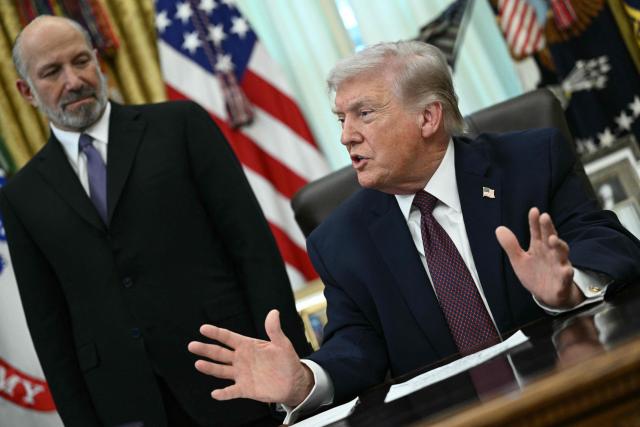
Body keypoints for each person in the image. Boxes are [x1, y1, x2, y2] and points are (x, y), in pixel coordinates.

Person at [188, 41, 640, 422]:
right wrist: (307, 380)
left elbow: (609, 242)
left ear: (428, 118)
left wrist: (570, 285)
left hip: (581, 395)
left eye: (364, 114)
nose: (346, 136)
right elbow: (356, 346)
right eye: (341, 119)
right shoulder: (339, 239)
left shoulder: (529, 162)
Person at [1, 15, 310, 427]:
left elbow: (252, 248)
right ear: (26, 92)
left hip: (233, 374)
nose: (73, 81)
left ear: (99, 61)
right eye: (52, 72)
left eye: (80, 61)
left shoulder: (180, 126)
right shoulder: (22, 196)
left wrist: (292, 362)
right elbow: (49, 326)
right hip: (127, 407)